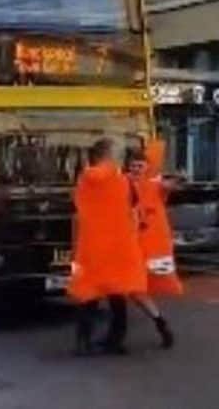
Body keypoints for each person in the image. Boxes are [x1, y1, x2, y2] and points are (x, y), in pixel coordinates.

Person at [69, 138, 147, 356]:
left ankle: (83, 342)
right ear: (108, 155)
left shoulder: (84, 179)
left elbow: (78, 209)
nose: (121, 156)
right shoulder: (121, 180)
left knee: (88, 295)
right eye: (118, 152)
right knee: (117, 295)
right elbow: (133, 210)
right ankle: (114, 341)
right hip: (118, 246)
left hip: (91, 246)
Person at [127, 144, 182, 349]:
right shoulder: (123, 183)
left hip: (153, 246)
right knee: (134, 289)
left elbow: (172, 186)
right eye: (133, 166)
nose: (136, 170)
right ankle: (159, 320)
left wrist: (171, 178)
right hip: (131, 246)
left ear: (147, 167)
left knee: (145, 285)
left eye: (140, 166)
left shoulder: (154, 185)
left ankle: (159, 322)